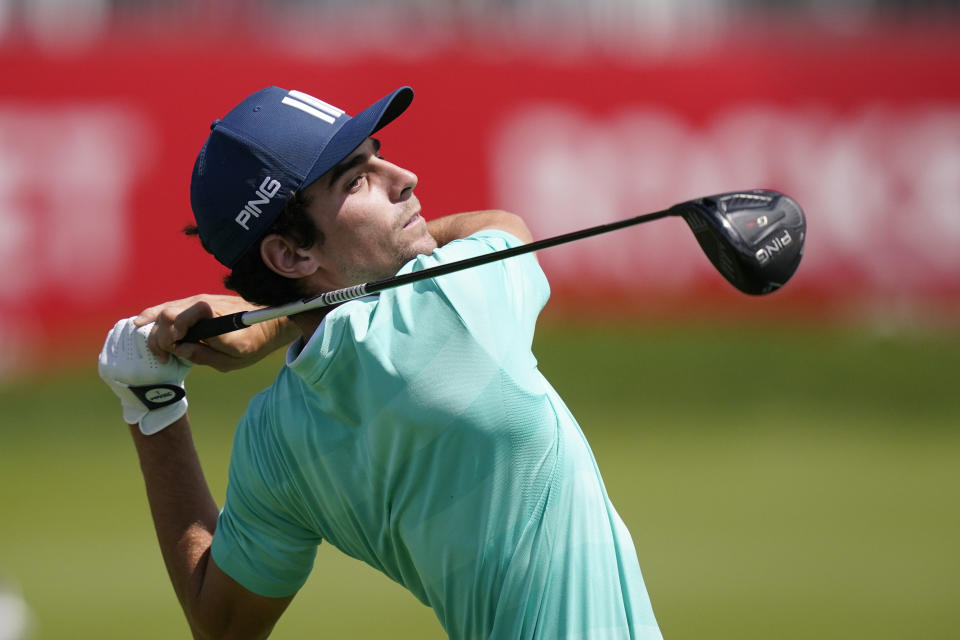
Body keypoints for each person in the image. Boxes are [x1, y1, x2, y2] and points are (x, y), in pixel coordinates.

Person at [98, 84, 663, 639]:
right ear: (292, 253)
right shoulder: (449, 307)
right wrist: (269, 319)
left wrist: (153, 407)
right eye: (358, 179)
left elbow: (221, 624)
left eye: (379, 157)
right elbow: (499, 226)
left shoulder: (274, 442)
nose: (405, 179)